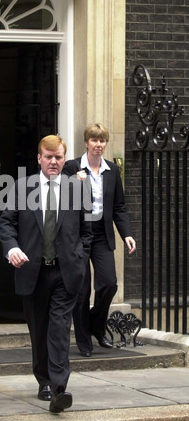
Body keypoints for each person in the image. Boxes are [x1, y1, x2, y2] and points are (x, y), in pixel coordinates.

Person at [0, 135, 92, 413]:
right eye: (48, 157)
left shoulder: (77, 189)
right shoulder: (21, 187)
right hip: (33, 272)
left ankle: (60, 388)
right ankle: (44, 381)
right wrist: (12, 248)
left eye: (59, 157)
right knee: (39, 331)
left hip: (65, 273)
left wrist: (79, 257)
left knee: (60, 330)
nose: (54, 162)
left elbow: (87, 232)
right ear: (39, 158)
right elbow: (7, 223)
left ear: (65, 159)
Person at [62, 123, 136, 357]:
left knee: (109, 283)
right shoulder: (72, 167)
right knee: (81, 291)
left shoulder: (112, 170)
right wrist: (75, 182)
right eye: (94, 140)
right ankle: (84, 340)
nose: (99, 145)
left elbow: (119, 207)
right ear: (86, 143)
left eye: (102, 141)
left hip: (102, 233)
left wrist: (127, 234)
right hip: (79, 235)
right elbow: (58, 194)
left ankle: (95, 322)